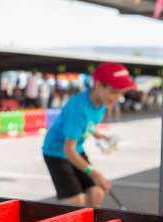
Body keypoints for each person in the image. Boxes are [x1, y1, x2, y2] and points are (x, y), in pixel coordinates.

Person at [42, 62, 135, 207]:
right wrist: (93, 173)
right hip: (56, 152)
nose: (118, 97)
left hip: (75, 150)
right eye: (114, 91)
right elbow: (68, 150)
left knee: (97, 192)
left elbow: (88, 126)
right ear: (98, 85)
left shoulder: (103, 103)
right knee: (75, 201)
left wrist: (101, 136)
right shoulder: (78, 108)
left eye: (121, 92)